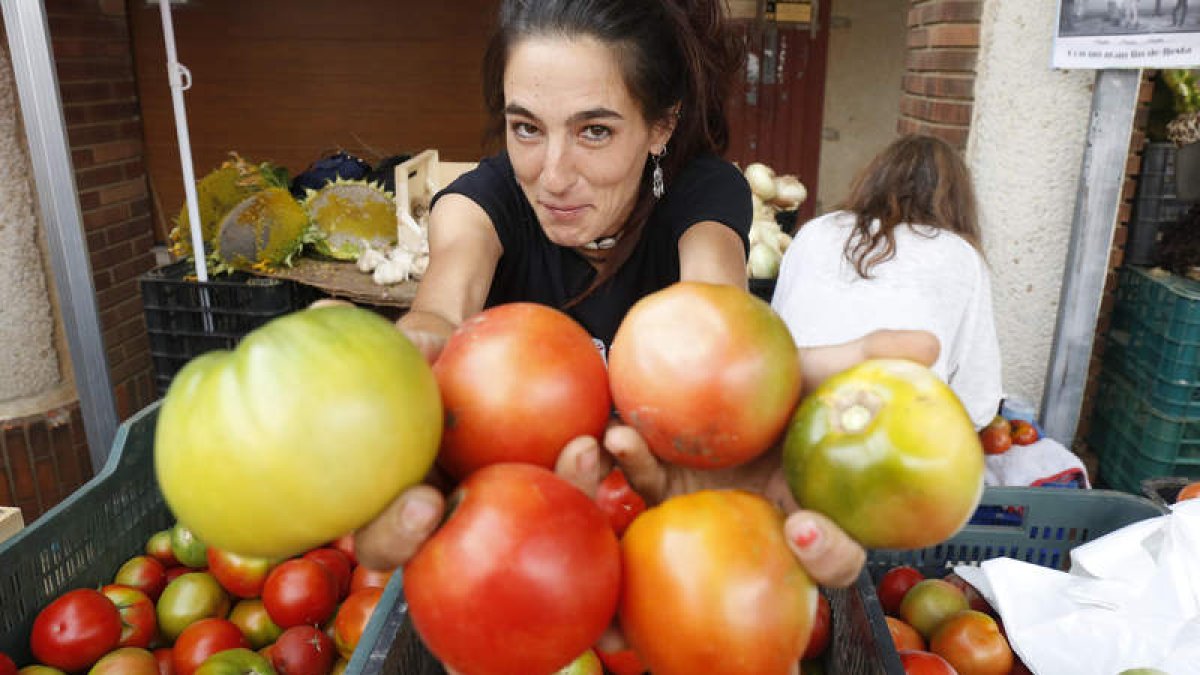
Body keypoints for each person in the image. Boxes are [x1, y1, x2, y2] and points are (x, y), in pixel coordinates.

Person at [354, 0, 939, 616]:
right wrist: (412, 351)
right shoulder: (478, 203)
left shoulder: (701, 195)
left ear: (660, 126)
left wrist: (748, 399)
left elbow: (715, 306)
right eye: (526, 127)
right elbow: (444, 305)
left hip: (672, 551)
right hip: (510, 560)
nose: (552, 175)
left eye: (595, 131)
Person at [772, 134, 1002, 430]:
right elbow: (977, 401)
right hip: (901, 434)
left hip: (793, 417)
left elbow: (777, 337)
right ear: (958, 200)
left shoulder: (815, 231)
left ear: (874, 179)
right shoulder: (961, 256)